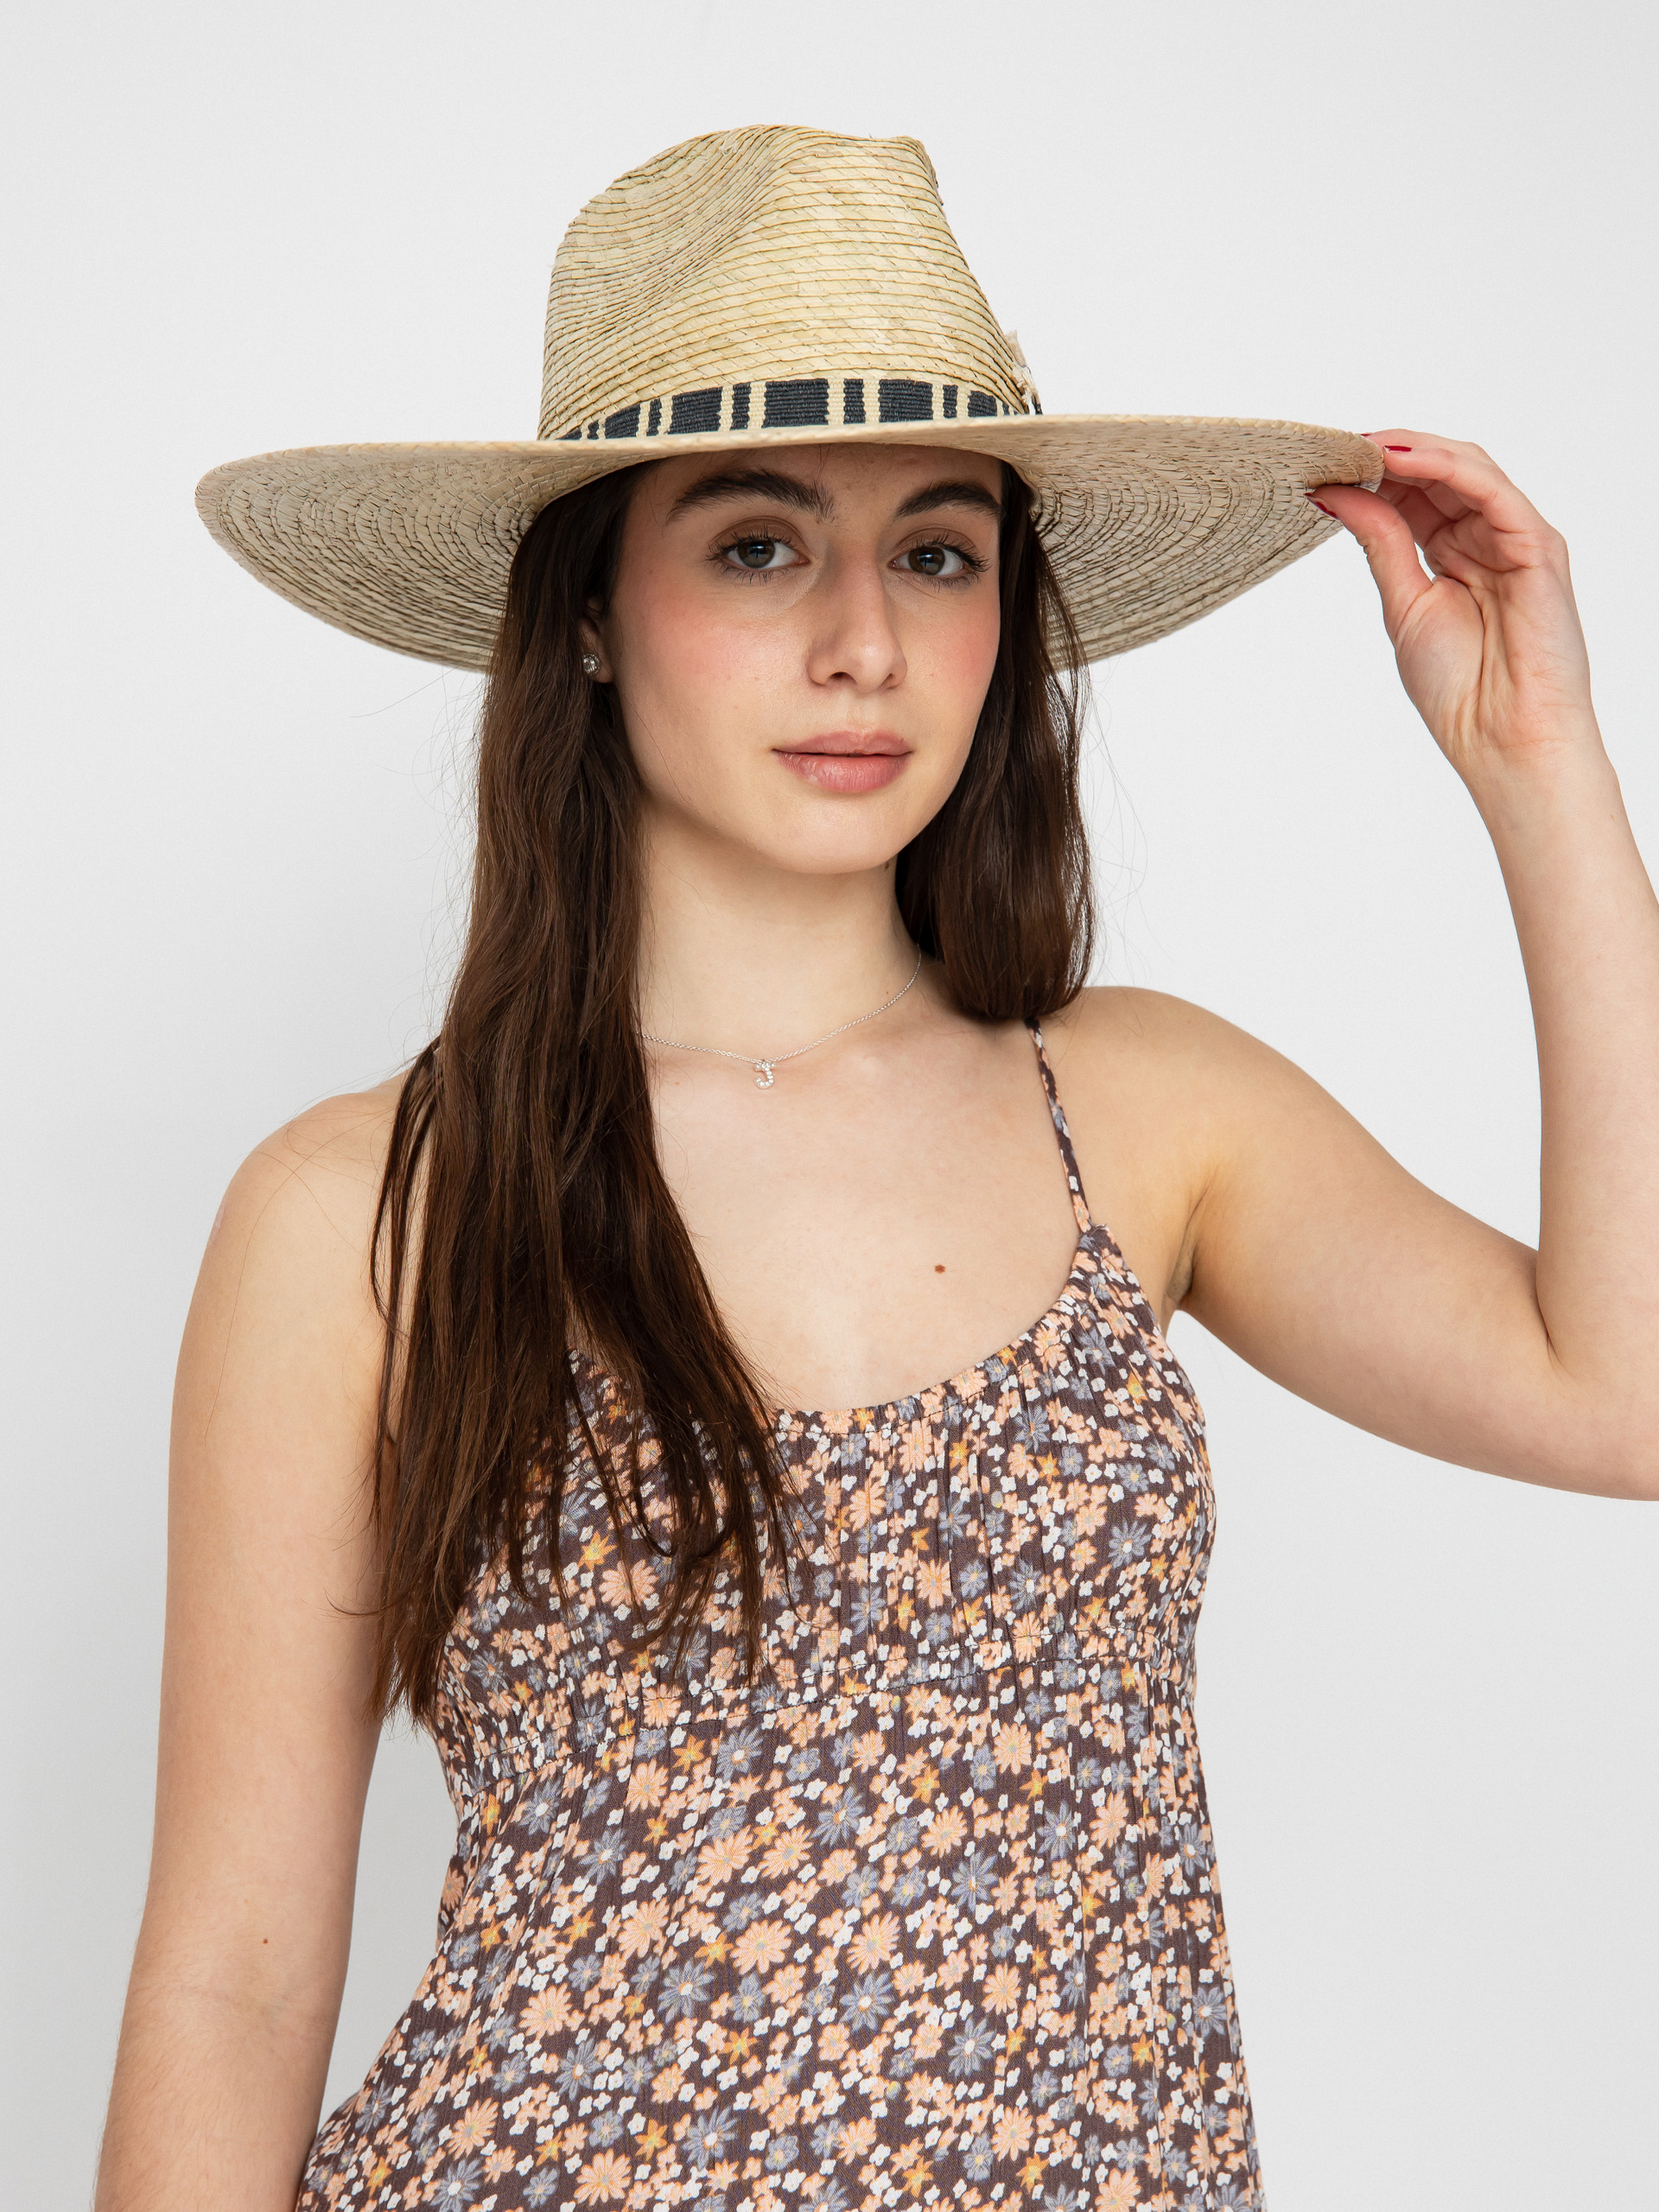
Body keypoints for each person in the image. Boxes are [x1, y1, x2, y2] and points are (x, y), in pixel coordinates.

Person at [96, 124, 1657, 2212]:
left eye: (938, 551)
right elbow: (234, 1976)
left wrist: (1541, 770)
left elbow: (1625, 1391)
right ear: (588, 613)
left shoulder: (1145, 1112)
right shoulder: (363, 1210)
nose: (865, 644)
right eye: (758, 546)